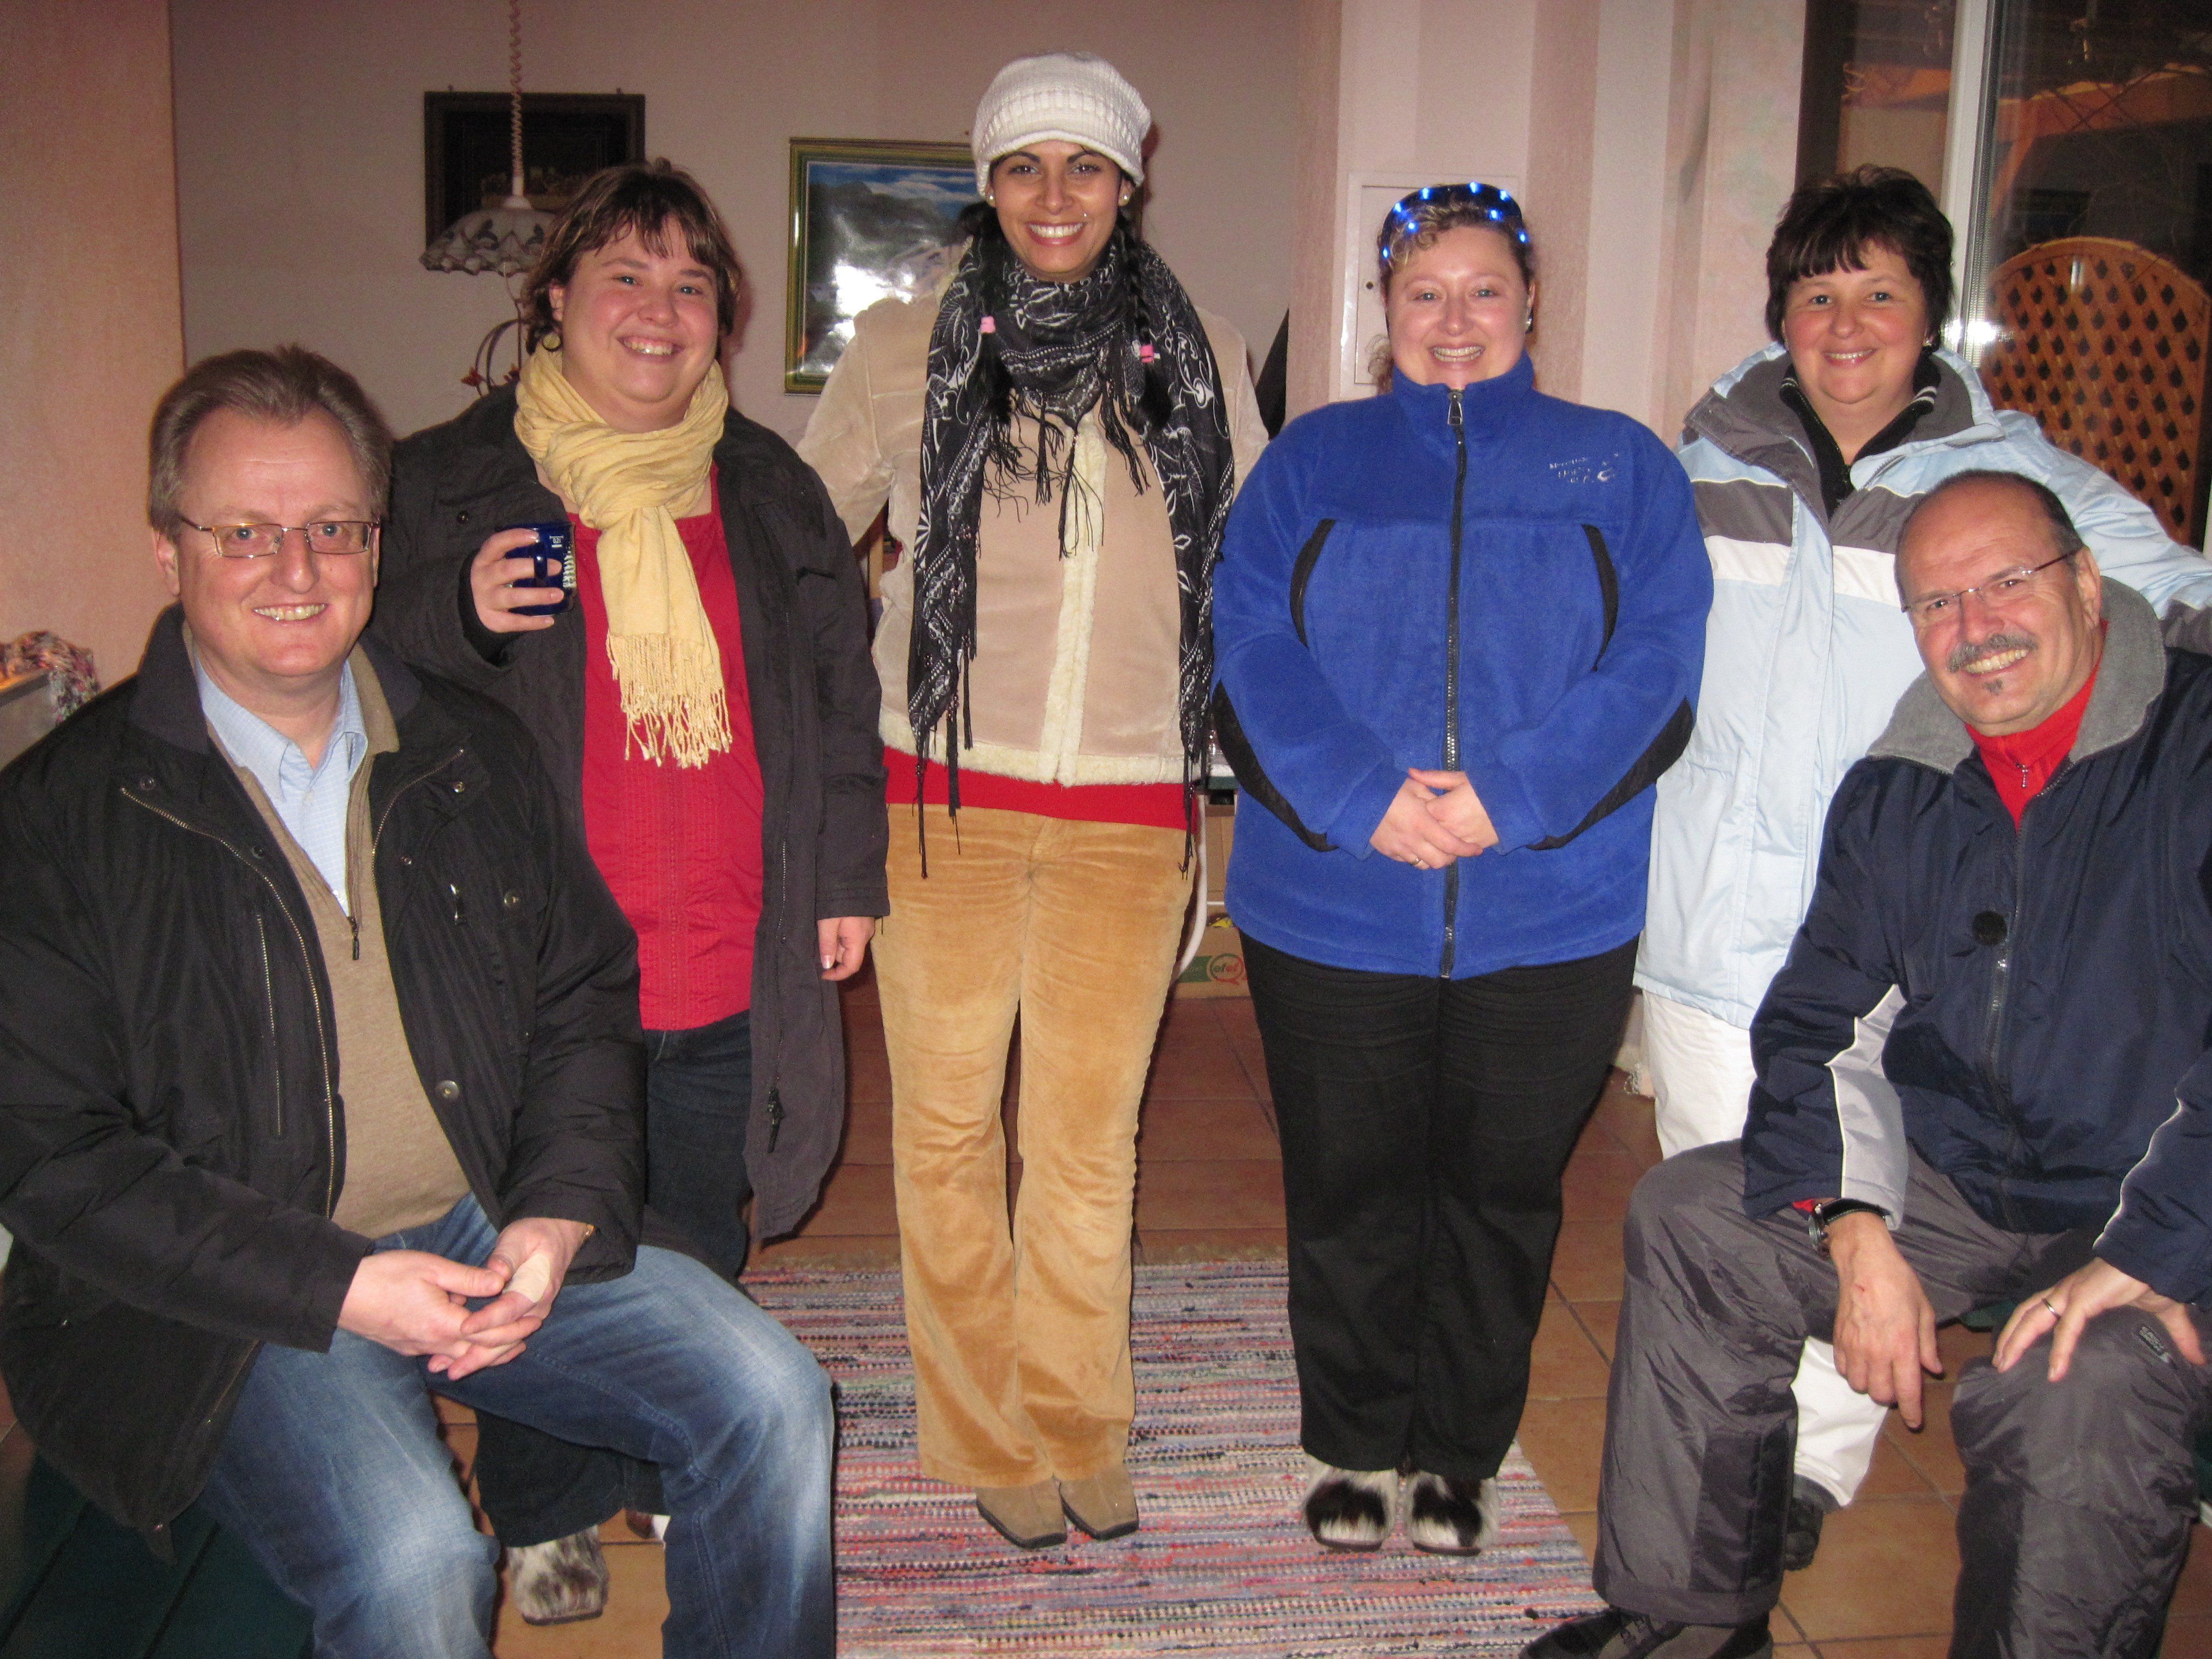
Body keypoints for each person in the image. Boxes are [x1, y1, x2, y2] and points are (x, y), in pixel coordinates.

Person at [0, 346, 833, 1659]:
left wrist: (559, 1209)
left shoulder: (469, 749)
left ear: (375, 547)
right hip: (237, 1284)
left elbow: (579, 994)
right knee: (415, 1559)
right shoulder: (58, 818)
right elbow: (53, 1158)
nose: (295, 568)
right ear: (169, 549)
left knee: (775, 1398)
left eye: (332, 529)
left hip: (479, 1209)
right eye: (244, 532)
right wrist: (340, 1284)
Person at [1530, 470, 2212, 1658]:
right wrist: (1853, 1223)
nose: (1975, 625)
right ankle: (1690, 1618)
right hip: (1968, 1175)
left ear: (2088, 584)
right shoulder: (1905, 784)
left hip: (2169, 1195)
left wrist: (2157, 1243)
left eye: (2007, 582)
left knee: (2077, 1388)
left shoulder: (2193, 751)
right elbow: (1818, 1017)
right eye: (1936, 603)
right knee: (1697, 1219)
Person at [1634, 164, 2212, 1566]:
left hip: (1911, 936)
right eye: (1815, 294)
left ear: (1927, 316)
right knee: (1746, 1217)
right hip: (1713, 921)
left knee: (1879, 1195)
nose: (1844, 326)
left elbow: (2172, 605)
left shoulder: (2014, 485)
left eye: (1878, 293)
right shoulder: (1696, 472)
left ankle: (1807, 1479)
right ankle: (1724, 1477)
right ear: (1778, 314)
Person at [371, 160, 886, 1615]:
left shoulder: (769, 486)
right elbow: (346, 663)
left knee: (697, 1228)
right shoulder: (446, 479)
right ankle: (542, 1507)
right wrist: (452, 610)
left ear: (723, 316)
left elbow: (838, 694)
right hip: (541, 975)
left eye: (690, 283)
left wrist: (845, 875)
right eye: (624, 276)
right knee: (545, 1249)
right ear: (554, 299)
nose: (659, 311)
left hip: (730, 944)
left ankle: (676, 1446)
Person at [798, 51, 1267, 1550]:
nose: (1053, 195)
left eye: (1084, 166)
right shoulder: (901, 344)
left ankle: (1076, 1416)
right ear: (987, 185)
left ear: (1128, 183)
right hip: (937, 803)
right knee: (944, 1133)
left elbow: (1252, 566)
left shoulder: (1196, 356)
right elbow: (800, 549)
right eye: (1022, 165)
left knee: (1083, 1142)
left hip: (1130, 811)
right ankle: (980, 1427)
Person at [1211, 183, 1710, 1553]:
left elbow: (1659, 665)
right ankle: (1352, 1439)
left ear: (1529, 299)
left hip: (1551, 914)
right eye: (1421, 292)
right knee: (1349, 1189)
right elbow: (1245, 645)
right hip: (1330, 905)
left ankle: (1458, 1453)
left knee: (1497, 1198)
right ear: (1381, 306)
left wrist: (1512, 797)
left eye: (1483, 289)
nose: (1452, 319)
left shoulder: (1617, 467)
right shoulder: (1309, 462)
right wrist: (1360, 797)